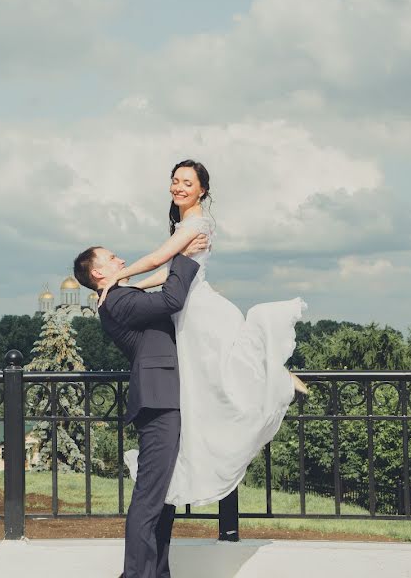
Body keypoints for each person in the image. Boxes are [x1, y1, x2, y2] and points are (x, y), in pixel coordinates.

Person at [96, 159, 308, 508]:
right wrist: (129, 287)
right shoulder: (184, 223)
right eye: (175, 181)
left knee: (222, 379)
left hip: (202, 311)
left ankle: (280, 378)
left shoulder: (197, 222)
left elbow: (158, 258)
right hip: (188, 315)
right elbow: (167, 273)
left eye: (187, 183)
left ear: (202, 190)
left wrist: (117, 280)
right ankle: (275, 377)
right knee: (210, 388)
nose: (178, 187)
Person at [73, 235, 206, 578]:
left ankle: (157, 572)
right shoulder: (117, 300)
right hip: (159, 403)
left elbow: (163, 282)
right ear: (99, 274)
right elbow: (173, 299)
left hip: (167, 398)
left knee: (163, 500)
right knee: (150, 499)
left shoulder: (120, 296)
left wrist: (182, 256)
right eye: (113, 258)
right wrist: (185, 257)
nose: (121, 260)